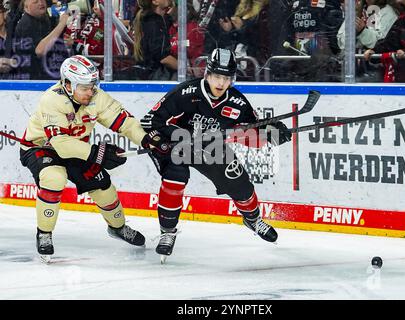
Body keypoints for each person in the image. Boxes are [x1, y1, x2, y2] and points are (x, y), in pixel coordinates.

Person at [139, 48, 292, 262]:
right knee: (176, 177)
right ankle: (167, 232)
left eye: (226, 78)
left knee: (238, 181)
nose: (220, 83)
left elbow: (252, 130)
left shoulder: (237, 102)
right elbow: (149, 122)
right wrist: (170, 138)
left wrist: (273, 133)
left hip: (209, 146)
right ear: (207, 75)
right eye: (217, 77)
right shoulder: (185, 93)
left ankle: (253, 219)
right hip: (174, 145)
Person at [19, 55, 147, 261]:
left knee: (102, 184)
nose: (91, 91)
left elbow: (125, 122)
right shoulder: (52, 99)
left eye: (93, 85)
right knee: (54, 177)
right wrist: (99, 154)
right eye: (85, 87)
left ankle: (118, 227)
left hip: (76, 150)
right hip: (41, 148)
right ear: (68, 85)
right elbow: (60, 144)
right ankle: (44, 233)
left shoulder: (96, 96)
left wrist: (148, 140)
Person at [13, 0, 70, 79]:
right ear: (26, 7)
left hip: (51, 74)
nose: (41, 3)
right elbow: (40, 50)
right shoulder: (26, 23)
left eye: (42, 0)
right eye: (35, 2)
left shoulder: (43, 19)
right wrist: (61, 24)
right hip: (37, 80)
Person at [132, 0, 177, 80]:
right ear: (155, 1)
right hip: (153, 78)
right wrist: (187, 69)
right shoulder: (152, 23)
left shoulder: (161, 19)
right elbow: (164, 58)